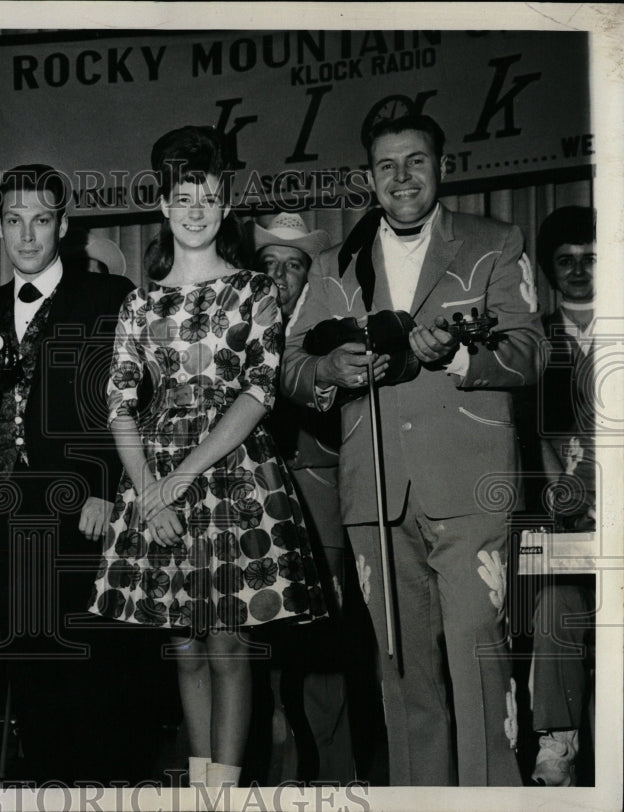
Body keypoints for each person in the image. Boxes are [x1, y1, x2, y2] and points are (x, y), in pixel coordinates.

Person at [282, 113, 544, 785]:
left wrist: (460, 353)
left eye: (416, 161)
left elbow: (530, 352)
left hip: (469, 487)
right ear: (369, 179)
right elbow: (289, 366)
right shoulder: (336, 261)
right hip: (374, 492)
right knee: (399, 674)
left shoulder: (493, 241)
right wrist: (328, 373)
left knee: (477, 662)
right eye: (387, 166)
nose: (402, 178)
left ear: (443, 168)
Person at [88, 126, 328, 789]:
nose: (196, 209)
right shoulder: (139, 302)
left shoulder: (254, 293)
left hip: (233, 475)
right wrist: (147, 490)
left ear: (225, 208)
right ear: (162, 206)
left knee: (228, 645)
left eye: (210, 197)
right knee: (184, 645)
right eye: (182, 196)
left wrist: (178, 482)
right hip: (158, 477)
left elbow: (258, 392)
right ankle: (198, 788)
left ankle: (225, 794)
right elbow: (119, 404)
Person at [0, 164, 150, 784]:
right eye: (14, 221)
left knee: (93, 666)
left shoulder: (108, 298)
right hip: (4, 513)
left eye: (41, 220)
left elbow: (129, 400)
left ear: (63, 226)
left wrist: (105, 486)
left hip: (83, 509)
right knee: (29, 663)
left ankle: (105, 791)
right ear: (0, 228)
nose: (27, 236)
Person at [254, 212, 358, 784]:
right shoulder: (239, 326)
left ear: (308, 275)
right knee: (262, 635)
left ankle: (332, 777)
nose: (280, 276)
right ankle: (275, 772)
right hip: (255, 498)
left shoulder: (328, 325)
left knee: (324, 636)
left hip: (319, 491)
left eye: (293, 266)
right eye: (268, 264)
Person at [528, 206, 597, 786]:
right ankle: (558, 742)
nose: (577, 270)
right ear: (550, 270)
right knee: (555, 605)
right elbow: (533, 434)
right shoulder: (538, 339)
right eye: (565, 261)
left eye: (589, 259)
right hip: (569, 514)